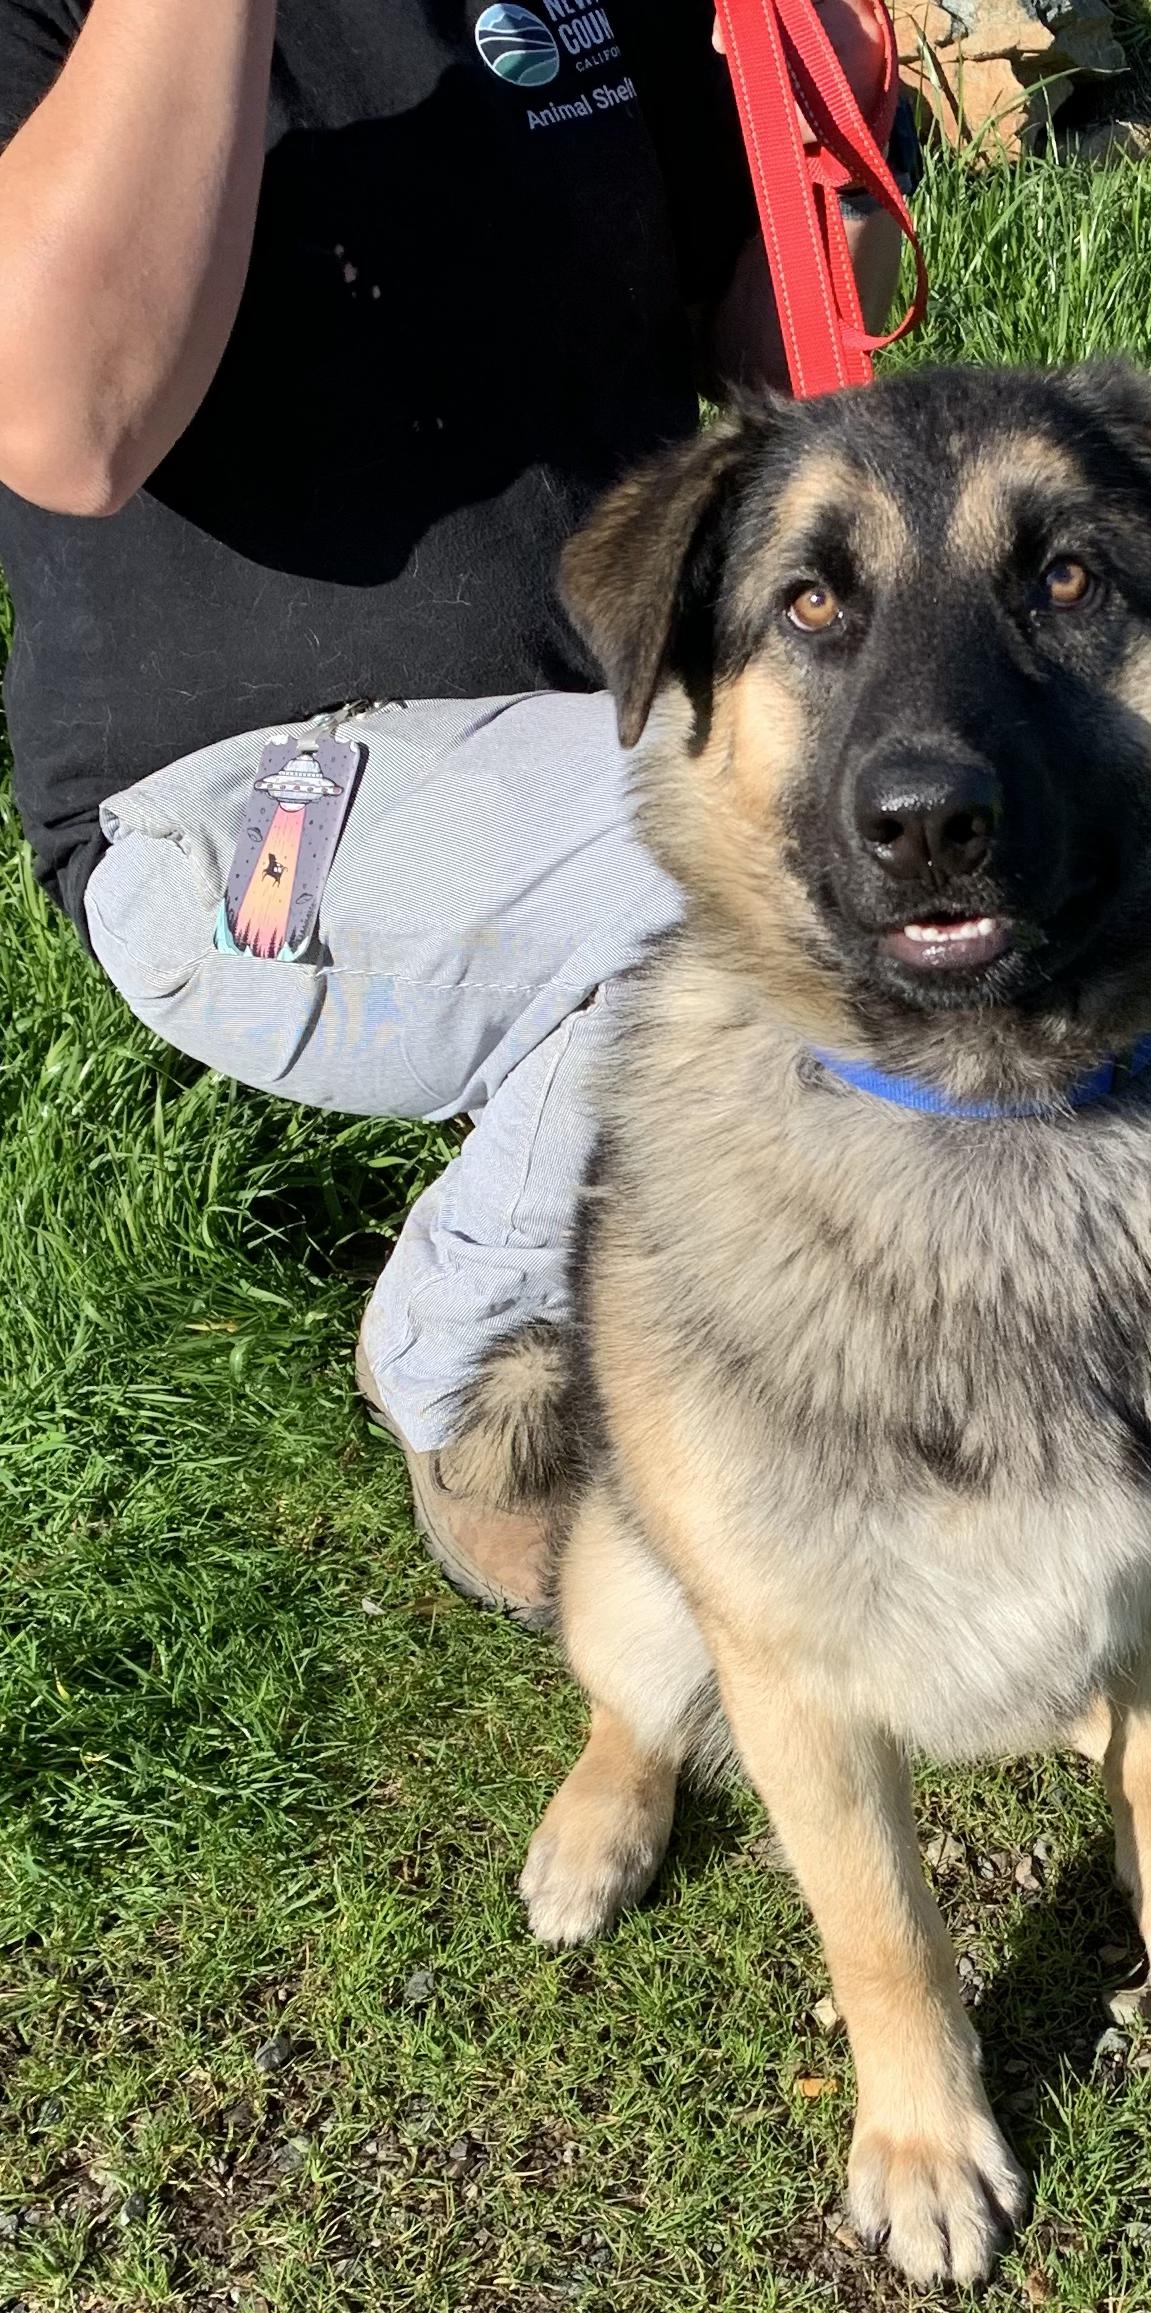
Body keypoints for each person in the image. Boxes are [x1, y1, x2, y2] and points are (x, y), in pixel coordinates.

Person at [0, 0, 905, 1622]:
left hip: (594, 743)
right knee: (767, 861)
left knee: (938, 831)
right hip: (242, 812)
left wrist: (825, 100)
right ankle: (473, 1360)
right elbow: (65, 422)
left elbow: (772, 353)